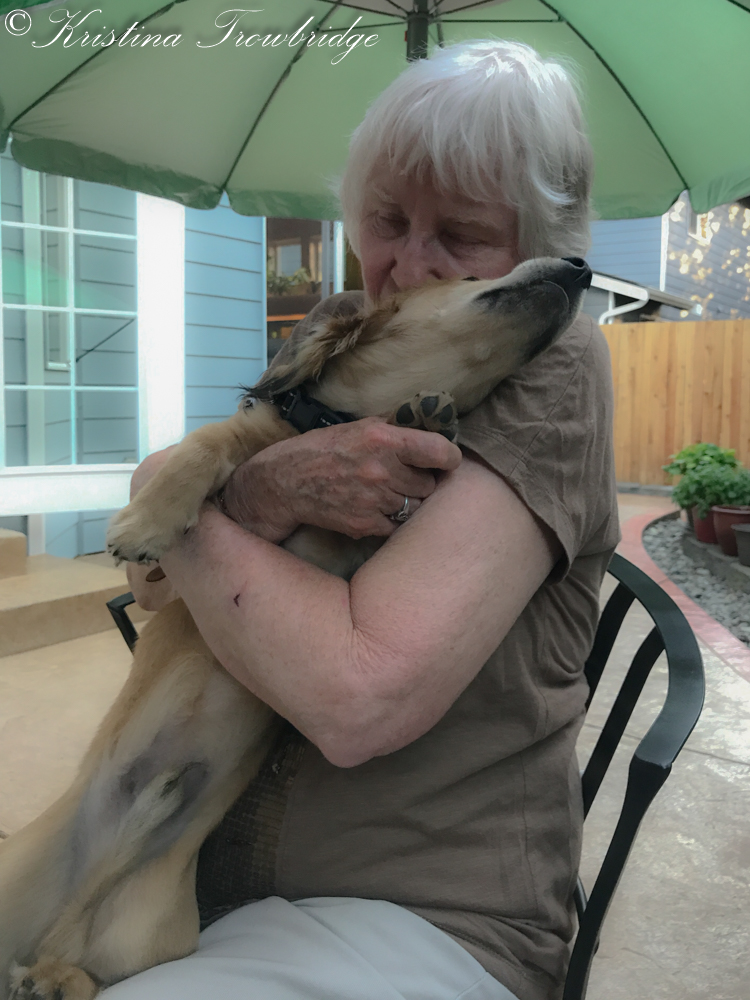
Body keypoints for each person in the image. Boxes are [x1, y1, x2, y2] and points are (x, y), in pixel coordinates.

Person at [110, 39, 619, 1000]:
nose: (409, 267)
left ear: (539, 241)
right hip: (197, 876)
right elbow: (148, 578)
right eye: (387, 219)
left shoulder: (548, 361)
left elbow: (356, 698)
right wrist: (256, 495)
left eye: (460, 234)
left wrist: (193, 495)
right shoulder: (343, 328)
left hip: (421, 916)